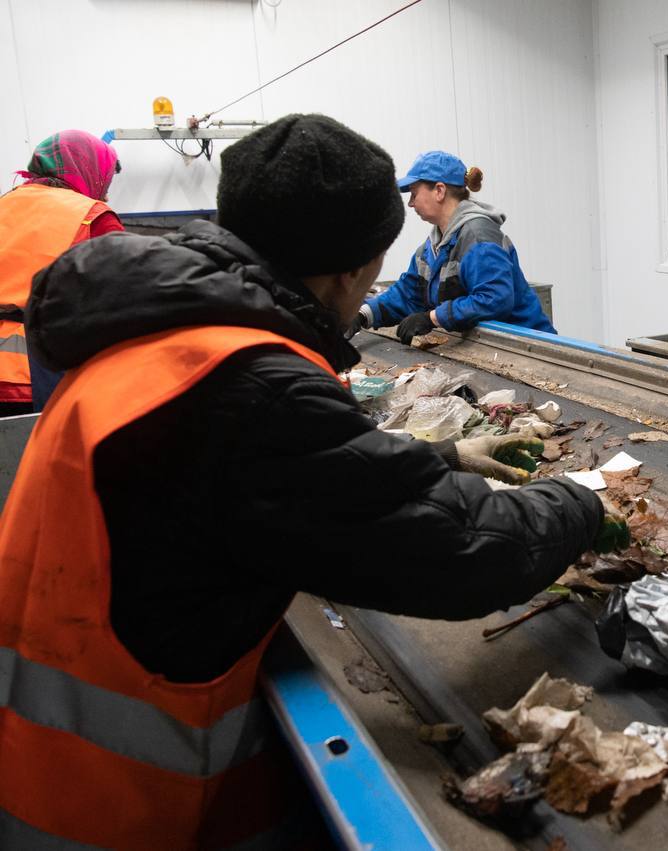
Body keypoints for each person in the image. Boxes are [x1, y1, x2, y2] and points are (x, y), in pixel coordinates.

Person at [0, 114, 625, 848]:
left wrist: (443, 458)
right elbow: (461, 551)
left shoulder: (167, 332)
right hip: (109, 805)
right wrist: (582, 499)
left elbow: (282, 472)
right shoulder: (255, 388)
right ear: (345, 273)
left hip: (40, 743)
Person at [350, 149, 555, 343]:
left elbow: (494, 299)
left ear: (439, 191)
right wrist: (362, 315)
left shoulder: (479, 237)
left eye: (414, 193)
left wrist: (432, 318)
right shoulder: (432, 247)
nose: (411, 203)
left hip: (529, 346)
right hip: (489, 347)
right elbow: (408, 293)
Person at [0, 129, 123, 414]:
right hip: (40, 375)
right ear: (88, 168)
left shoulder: (4, 204)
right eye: (106, 180)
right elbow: (123, 301)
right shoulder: (93, 215)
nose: (105, 191)